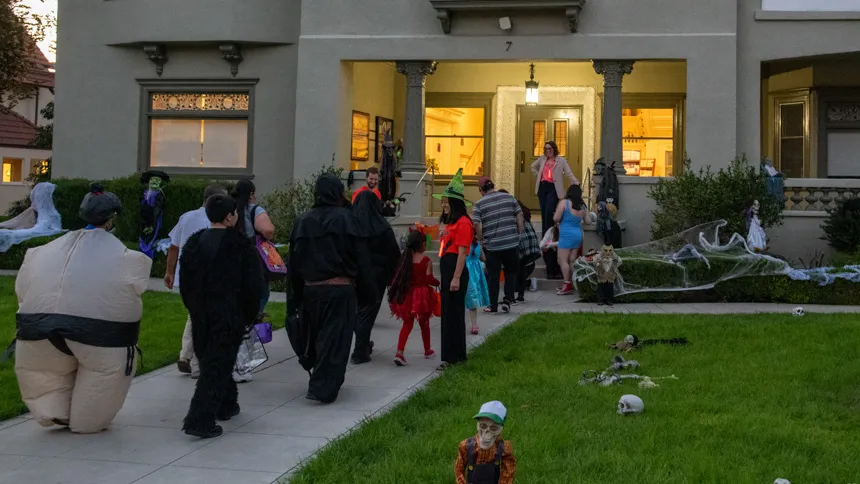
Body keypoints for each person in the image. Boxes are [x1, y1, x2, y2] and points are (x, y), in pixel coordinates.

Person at [14, 184, 151, 433]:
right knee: (99, 390)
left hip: (37, 331)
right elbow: (135, 289)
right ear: (111, 219)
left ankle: (53, 411)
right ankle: (85, 421)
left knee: (44, 375)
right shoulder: (128, 258)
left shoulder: (41, 252)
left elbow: (22, 291)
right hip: (99, 338)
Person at [288, 173, 377, 403]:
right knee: (334, 340)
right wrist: (369, 293)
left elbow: (294, 264)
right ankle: (322, 387)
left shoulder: (303, 222)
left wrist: (293, 297)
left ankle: (320, 380)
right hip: (340, 291)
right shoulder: (348, 219)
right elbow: (362, 258)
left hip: (310, 291)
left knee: (317, 336)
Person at [179, 194, 263, 438]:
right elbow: (252, 286)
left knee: (213, 361)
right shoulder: (241, 245)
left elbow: (186, 284)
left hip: (200, 313)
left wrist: (192, 308)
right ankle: (199, 419)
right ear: (229, 217)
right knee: (216, 367)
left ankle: (227, 404)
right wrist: (249, 315)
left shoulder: (194, 244)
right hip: (228, 313)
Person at [164, 184, 229, 377]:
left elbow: (173, 246)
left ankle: (186, 355)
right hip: (210, 276)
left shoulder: (186, 217)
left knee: (195, 313)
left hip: (188, 275)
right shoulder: (218, 219)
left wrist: (170, 271)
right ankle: (196, 362)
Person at [232, 179, 276, 383]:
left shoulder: (230, 209)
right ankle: (243, 364)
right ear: (251, 194)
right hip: (252, 265)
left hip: (233, 264)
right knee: (253, 311)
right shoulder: (255, 210)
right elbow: (268, 230)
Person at [351, 190, 400, 364]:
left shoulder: (351, 226)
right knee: (368, 313)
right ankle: (360, 351)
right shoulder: (382, 227)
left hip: (354, 275)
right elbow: (394, 252)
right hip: (377, 276)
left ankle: (363, 344)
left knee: (358, 312)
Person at [433, 168, 473, 370]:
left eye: (446, 201)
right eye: (442, 201)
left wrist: (456, 278)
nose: (443, 204)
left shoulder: (464, 223)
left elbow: (462, 253)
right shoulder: (451, 222)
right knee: (447, 313)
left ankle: (453, 357)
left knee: (454, 314)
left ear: (455, 203)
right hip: (447, 271)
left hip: (455, 272)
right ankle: (450, 355)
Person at [473, 177, 523, 314]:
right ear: (493, 186)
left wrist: (481, 238)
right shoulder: (509, 197)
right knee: (511, 273)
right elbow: (519, 214)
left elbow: (477, 223)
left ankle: (493, 305)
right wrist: (519, 232)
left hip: (493, 246)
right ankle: (508, 300)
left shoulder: (479, 204)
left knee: (493, 276)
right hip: (511, 242)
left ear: (481, 190)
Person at [389, 231, 438, 366]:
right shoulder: (426, 260)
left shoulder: (405, 259)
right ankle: (427, 350)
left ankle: (399, 352)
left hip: (407, 294)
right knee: (424, 323)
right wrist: (437, 283)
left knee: (407, 324)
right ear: (422, 244)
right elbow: (429, 278)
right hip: (422, 296)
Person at [530, 141, 580, 236]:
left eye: (550, 149)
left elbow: (569, 173)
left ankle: (550, 235)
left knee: (549, 211)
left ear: (554, 149)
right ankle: (546, 236)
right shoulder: (542, 159)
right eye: (546, 149)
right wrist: (539, 175)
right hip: (542, 187)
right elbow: (532, 166)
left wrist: (576, 182)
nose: (548, 151)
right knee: (544, 212)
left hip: (554, 188)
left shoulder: (561, 160)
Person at [498, 189, 540, 302]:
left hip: (519, 243)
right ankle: (520, 295)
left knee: (512, 271)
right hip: (529, 244)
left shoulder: (508, 209)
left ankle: (510, 297)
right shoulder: (519, 206)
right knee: (520, 271)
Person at [554, 185, 592, 295]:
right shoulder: (582, 206)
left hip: (566, 234)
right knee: (572, 260)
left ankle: (567, 284)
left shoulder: (564, 203)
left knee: (562, 260)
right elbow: (588, 221)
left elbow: (556, 218)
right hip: (577, 235)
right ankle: (576, 282)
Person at [465, 239, 490, 335]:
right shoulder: (478, 244)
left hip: (466, 270)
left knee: (466, 297)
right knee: (473, 298)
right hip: (476, 272)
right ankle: (474, 325)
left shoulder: (465, 244)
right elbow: (483, 257)